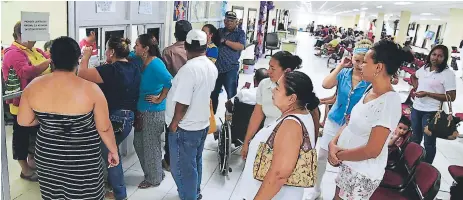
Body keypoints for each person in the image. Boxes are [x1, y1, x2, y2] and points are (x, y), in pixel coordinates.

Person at [17, 36, 119, 200]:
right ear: (78, 59)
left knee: (53, 195)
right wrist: (113, 151)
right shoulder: (91, 89)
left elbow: (24, 121)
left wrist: (48, 120)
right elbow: (104, 127)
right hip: (82, 159)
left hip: (48, 157)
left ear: (52, 59)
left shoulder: (33, 86)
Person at [329, 40, 410, 200]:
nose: (360, 66)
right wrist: (334, 143)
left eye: (365, 62)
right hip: (349, 163)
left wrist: (339, 155)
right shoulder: (369, 89)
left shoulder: (388, 102)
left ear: (378, 67)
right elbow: (350, 122)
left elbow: (372, 150)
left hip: (362, 171)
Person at [307, 39, 373, 200]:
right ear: (351, 58)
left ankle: (341, 195)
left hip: (354, 128)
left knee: (347, 162)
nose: (359, 65)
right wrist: (340, 66)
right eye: (357, 60)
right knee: (322, 156)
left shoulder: (371, 82)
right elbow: (325, 84)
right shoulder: (344, 73)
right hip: (334, 120)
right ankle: (316, 190)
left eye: (363, 62)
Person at [237, 71, 319, 199]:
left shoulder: (291, 125)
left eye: (278, 88)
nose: (273, 90)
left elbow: (278, 175)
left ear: (292, 98)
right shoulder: (299, 115)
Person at [78, 37, 141, 199]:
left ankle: (120, 194)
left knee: (111, 155)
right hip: (128, 117)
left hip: (114, 118)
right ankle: (112, 186)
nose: (105, 52)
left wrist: (85, 55)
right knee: (111, 152)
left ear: (112, 52)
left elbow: (82, 73)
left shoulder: (111, 70)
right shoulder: (133, 67)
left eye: (106, 49)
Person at [165, 29, 218, 200]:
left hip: (185, 128)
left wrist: (174, 124)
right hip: (201, 124)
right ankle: (195, 193)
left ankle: (189, 196)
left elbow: (183, 102)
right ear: (205, 46)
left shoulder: (189, 70)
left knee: (181, 168)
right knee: (194, 163)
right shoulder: (211, 66)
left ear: (186, 46)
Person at [241, 51, 320, 160]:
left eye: (273, 68)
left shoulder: (300, 87)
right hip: (267, 140)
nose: (268, 71)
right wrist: (247, 141)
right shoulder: (264, 85)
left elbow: (314, 115)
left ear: (287, 71)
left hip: (291, 144)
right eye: (269, 66)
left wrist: (312, 145)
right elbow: (257, 115)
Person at [2, 21, 52, 182]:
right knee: (21, 138)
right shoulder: (13, 53)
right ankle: (25, 170)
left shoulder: (35, 51)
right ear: (20, 35)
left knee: (34, 135)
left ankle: (32, 162)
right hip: (21, 105)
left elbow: (49, 60)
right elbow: (25, 72)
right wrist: (48, 62)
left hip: (38, 102)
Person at [131, 34, 173, 188]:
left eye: (137, 45)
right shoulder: (140, 59)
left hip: (153, 112)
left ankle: (154, 178)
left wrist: (160, 98)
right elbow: (128, 54)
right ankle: (154, 172)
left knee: (151, 145)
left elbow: (170, 81)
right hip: (142, 111)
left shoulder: (156, 64)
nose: (134, 47)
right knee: (139, 143)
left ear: (146, 49)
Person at [410, 45, 456, 164]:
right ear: (430, 55)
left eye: (440, 56)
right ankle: (411, 163)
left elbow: (451, 96)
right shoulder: (424, 68)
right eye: (434, 54)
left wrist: (428, 94)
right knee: (415, 138)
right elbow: (413, 76)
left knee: (428, 142)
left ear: (445, 58)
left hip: (432, 112)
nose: (436, 58)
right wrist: (416, 87)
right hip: (416, 108)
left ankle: (426, 166)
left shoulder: (447, 74)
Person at [161, 20, 192, 171]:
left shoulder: (168, 51)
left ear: (175, 34)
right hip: (192, 94)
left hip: (174, 95)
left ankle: (169, 160)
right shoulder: (196, 50)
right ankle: (184, 158)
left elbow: (165, 76)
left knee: (171, 127)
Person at [211, 11, 246, 114]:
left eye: (231, 21)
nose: (229, 23)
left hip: (231, 68)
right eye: (227, 20)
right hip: (217, 68)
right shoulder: (219, 31)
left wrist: (225, 41)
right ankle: (211, 119)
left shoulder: (240, 33)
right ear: (224, 21)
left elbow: (241, 46)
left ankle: (230, 120)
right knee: (213, 95)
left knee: (231, 96)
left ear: (236, 22)